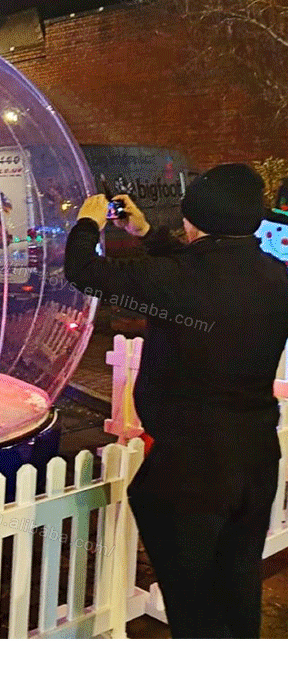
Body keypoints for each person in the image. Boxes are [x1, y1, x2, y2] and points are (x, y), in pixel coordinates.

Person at [64, 163, 288, 638]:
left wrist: (88, 222)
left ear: (194, 219)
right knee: (238, 589)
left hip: (190, 471)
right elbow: (202, 270)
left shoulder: (175, 279)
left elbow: (82, 272)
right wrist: (145, 231)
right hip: (255, 460)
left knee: (193, 610)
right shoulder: (276, 277)